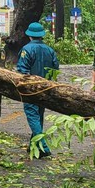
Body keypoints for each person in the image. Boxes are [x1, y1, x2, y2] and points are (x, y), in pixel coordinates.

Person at [16, 22, 60, 158]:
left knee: (33, 116)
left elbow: (23, 71)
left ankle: (44, 147)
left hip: (31, 89)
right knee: (39, 116)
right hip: (46, 88)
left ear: (29, 35)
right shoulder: (49, 50)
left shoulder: (26, 49)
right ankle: (33, 146)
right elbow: (55, 69)